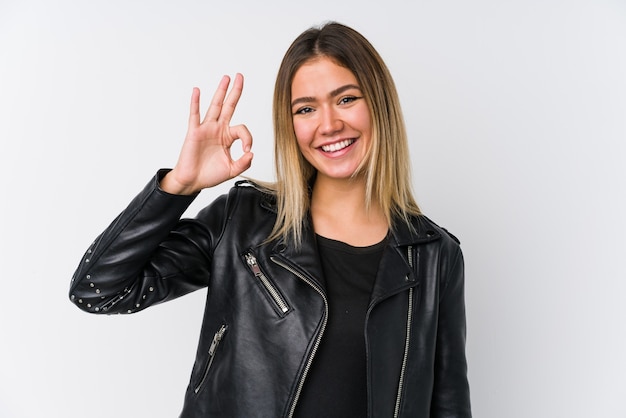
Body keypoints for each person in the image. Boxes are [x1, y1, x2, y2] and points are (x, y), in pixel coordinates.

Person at [69, 22, 472, 418]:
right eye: (306, 108)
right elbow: (98, 290)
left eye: (347, 99)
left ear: (379, 105)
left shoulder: (433, 256)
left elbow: (448, 403)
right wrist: (179, 185)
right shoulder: (245, 221)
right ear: (290, 124)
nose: (329, 124)